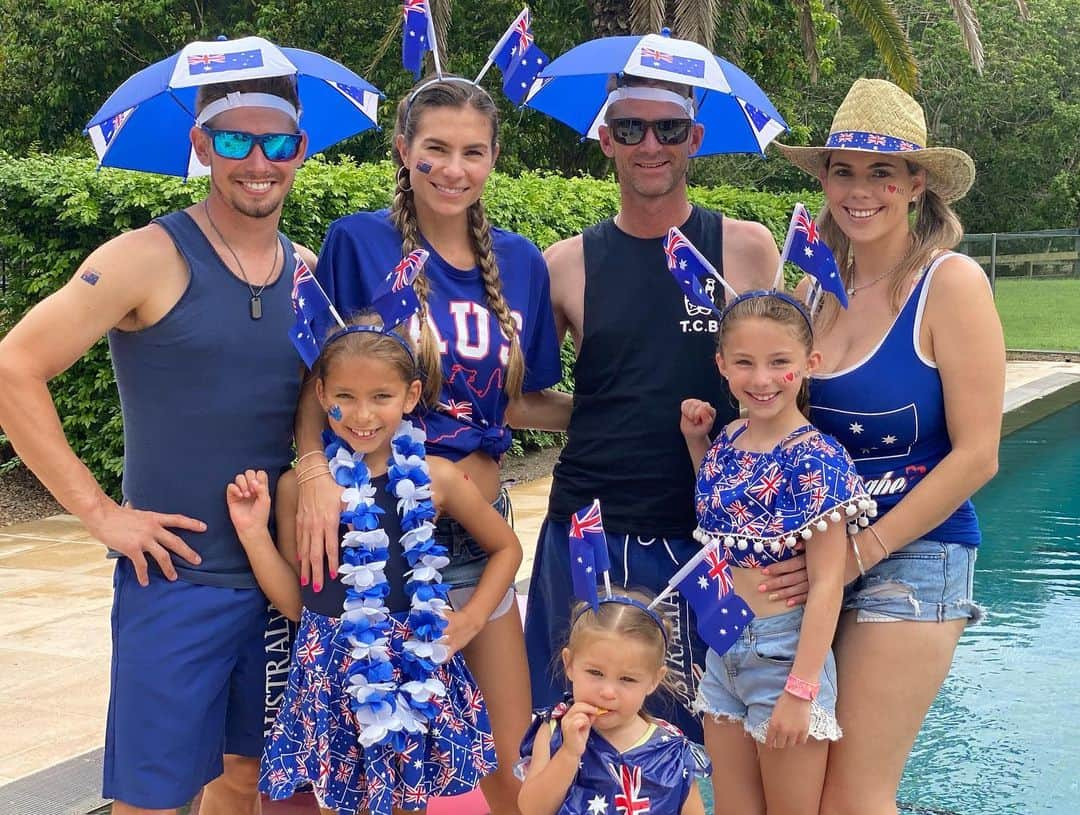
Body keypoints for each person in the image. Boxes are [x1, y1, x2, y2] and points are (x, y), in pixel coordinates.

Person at [0, 75, 314, 813]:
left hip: (279, 584)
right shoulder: (148, 255)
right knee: (152, 796)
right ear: (201, 145)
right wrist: (100, 512)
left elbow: (319, 401)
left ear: (301, 151)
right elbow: (14, 366)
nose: (258, 159)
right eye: (236, 139)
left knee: (246, 779)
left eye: (278, 141)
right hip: (178, 580)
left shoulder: (305, 269)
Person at [293, 75, 567, 812]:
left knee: (510, 764)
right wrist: (312, 463)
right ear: (403, 150)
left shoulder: (521, 261)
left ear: (494, 157)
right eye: (436, 148)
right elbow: (315, 378)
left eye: (473, 152)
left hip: (479, 535)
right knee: (377, 762)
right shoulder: (357, 243)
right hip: (375, 543)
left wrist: (626, 414)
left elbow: (522, 400)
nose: (454, 169)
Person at [525, 73, 781, 741]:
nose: (649, 144)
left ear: (694, 139)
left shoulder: (745, 249)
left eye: (667, 129)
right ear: (605, 139)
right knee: (578, 730)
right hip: (590, 532)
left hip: (713, 538)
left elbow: (784, 386)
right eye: (629, 128)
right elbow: (518, 401)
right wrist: (602, 413)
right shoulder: (568, 263)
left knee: (713, 731)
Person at [774, 78, 1003, 814]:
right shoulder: (815, 291)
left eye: (881, 172)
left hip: (915, 557)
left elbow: (978, 456)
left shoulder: (951, 285)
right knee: (799, 787)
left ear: (916, 185)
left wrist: (859, 555)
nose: (859, 190)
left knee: (854, 796)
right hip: (821, 560)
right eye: (843, 170)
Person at [226, 315, 523, 815]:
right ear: (321, 394)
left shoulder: (437, 477)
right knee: (339, 805)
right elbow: (296, 604)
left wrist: (470, 621)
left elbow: (507, 548)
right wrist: (254, 533)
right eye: (345, 396)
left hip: (410, 664)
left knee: (408, 802)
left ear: (410, 397)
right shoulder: (301, 491)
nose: (362, 414)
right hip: (330, 668)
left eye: (381, 397)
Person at [680, 290, 873, 814]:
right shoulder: (728, 438)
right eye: (744, 362)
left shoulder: (817, 460)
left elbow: (829, 582)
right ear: (721, 365)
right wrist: (698, 445)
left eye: (779, 363)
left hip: (784, 653)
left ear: (809, 365)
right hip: (724, 650)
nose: (761, 379)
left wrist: (801, 687)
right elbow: (726, 514)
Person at [517, 591, 709, 815]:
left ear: (654, 680)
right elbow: (531, 809)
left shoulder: (672, 751)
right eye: (595, 672)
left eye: (627, 679)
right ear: (569, 663)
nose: (608, 692)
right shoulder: (554, 732)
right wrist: (569, 753)